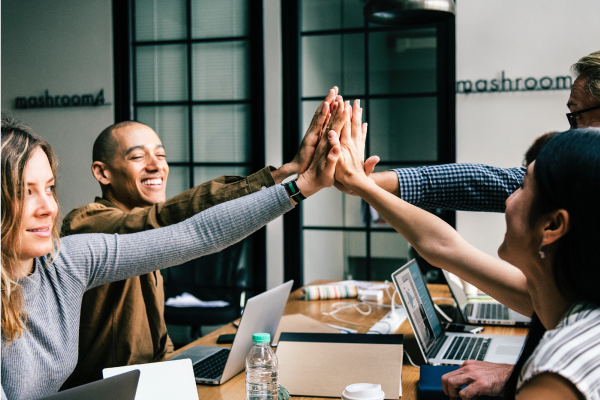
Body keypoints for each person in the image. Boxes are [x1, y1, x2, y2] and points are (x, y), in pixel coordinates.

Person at [0, 111, 344, 400]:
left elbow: (197, 234)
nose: (48, 208)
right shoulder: (89, 224)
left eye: (49, 189)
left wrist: (303, 185)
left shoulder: (67, 261)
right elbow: (165, 222)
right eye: (24, 192)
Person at [334, 50, 600, 398]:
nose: (506, 196)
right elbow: (446, 245)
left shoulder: (564, 367)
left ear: (554, 225)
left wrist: (527, 379)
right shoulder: (572, 302)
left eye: (523, 188)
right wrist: (362, 184)